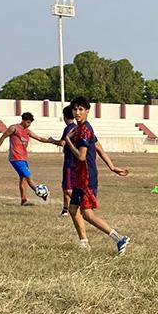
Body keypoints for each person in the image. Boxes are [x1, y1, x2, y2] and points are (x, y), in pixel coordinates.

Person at [63, 96, 131, 253]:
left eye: (81, 109)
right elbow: (98, 146)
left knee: (87, 214)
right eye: (75, 109)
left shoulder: (85, 130)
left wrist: (68, 140)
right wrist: (112, 167)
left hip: (86, 178)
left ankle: (119, 239)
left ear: (87, 111)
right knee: (73, 209)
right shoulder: (81, 129)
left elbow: (81, 156)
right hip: (80, 177)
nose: (77, 112)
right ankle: (84, 243)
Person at [0, 112, 57, 206]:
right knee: (28, 177)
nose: (29, 124)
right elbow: (4, 136)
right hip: (15, 158)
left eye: (30, 123)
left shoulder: (27, 131)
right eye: (28, 122)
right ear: (23, 120)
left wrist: (50, 141)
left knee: (23, 178)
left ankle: (23, 200)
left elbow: (39, 138)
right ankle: (42, 193)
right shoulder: (14, 128)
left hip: (24, 158)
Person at [58, 105, 77, 216]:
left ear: (65, 117)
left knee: (68, 189)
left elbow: (62, 143)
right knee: (65, 186)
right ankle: (65, 209)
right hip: (72, 161)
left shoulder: (69, 128)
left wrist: (50, 141)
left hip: (70, 162)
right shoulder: (75, 127)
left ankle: (83, 205)